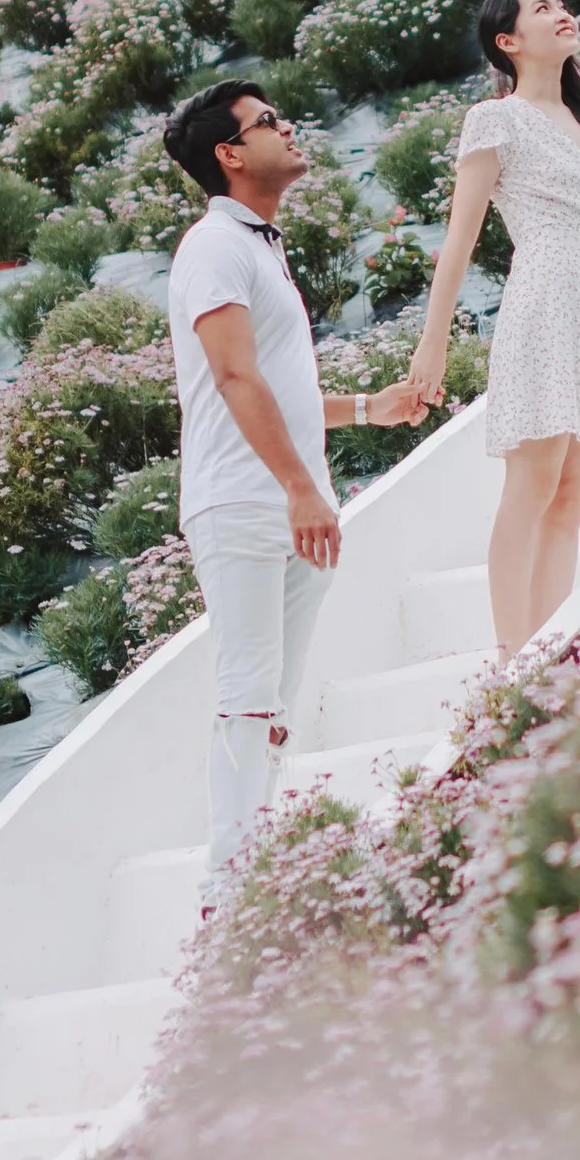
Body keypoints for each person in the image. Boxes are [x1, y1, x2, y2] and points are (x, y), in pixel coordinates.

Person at [162, 80, 428, 892]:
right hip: (246, 502)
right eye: (267, 122)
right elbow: (234, 376)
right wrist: (299, 488)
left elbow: (281, 386)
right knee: (248, 694)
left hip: (289, 502)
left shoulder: (259, 245)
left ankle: (258, 873)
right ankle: (226, 893)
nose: (287, 128)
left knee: (274, 705)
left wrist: (368, 408)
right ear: (230, 154)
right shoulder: (214, 246)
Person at [405, 0, 580, 656]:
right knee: (533, 485)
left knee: (571, 496)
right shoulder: (496, 119)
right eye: (542, 8)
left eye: (561, 4)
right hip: (543, 307)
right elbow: (459, 238)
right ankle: (510, 662)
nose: (561, 14)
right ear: (508, 41)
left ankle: (552, 653)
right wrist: (433, 343)